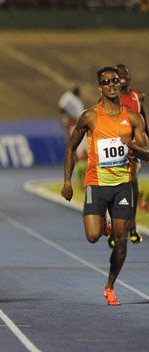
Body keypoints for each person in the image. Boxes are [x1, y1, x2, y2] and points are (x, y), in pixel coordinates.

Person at [61, 66, 147, 306]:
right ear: (100, 87)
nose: (111, 85)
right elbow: (70, 147)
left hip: (122, 186)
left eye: (115, 81)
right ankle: (104, 223)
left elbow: (147, 153)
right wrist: (67, 181)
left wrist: (132, 146)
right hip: (97, 184)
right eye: (106, 82)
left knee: (121, 241)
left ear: (120, 84)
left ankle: (109, 286)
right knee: (92, 236)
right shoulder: (90, 117)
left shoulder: (133, 118)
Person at [116, 64, 146, 245]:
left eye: (126, 75)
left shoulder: (137, 96)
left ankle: (132, 225)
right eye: (120, 76)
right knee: (114, 187)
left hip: (133, 147)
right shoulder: (109, 98)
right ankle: (113, 226)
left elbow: (143, 119)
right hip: (115, 148)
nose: (124, 78)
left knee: (132, 182)